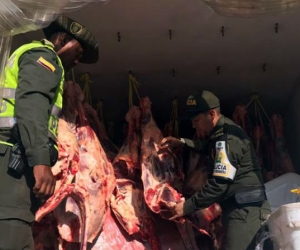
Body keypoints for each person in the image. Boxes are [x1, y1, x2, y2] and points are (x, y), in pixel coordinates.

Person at [0, 15, 98, 249]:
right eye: (79, 52)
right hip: (12, 160)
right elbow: (32, 106)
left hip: (12, 158)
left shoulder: (36, 56)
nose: (78, 61)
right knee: (13, 235)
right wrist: (40, 162)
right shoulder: (44, 57)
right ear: (63, 39)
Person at [161, 90, 271, 250]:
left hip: (245, 212)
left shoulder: (227, 139)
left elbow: (220, 183)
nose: (193, 125)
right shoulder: (221, 134)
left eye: (196, 120)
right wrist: (183, 142)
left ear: (211, 114)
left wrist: (187, 207)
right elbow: (210, 148)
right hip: (241, 209)